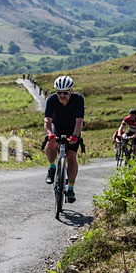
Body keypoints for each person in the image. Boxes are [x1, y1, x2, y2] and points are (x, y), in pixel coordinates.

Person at [44, 75, 84, 203]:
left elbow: (79, 121)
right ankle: (52, 167)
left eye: (65, 93)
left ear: (71, 91)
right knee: (51, 144)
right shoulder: (51, 99)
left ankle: (70, 188)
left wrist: (75, 136)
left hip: (72, 129)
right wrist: (50, 134)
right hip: (57, 126)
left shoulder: (78, 99)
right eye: (59, 92)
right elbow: (47, 120)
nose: (62, 95)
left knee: (71, 156)